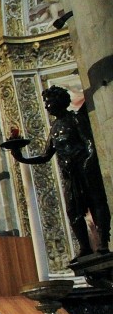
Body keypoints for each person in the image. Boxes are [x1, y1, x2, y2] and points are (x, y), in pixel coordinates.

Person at [7, 86, 111, 260]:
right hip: (69, 174)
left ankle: (102, 244)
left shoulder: (76, 119)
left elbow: (90, 145)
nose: (47, 105)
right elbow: (45, 156)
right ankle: (85, 247)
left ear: (61, 101)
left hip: (84, 169)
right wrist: (20, 157)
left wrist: (87, 165)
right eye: (46, 102)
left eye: (50, 101)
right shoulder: (55, 127)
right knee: (73, 211)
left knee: (95, 203)